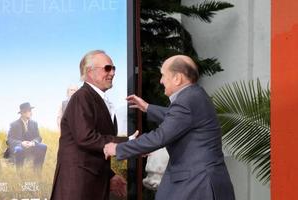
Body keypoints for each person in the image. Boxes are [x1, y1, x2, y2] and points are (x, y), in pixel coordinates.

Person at [104, 55, 235, 200]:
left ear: (177, 78)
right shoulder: (195, 94)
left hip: (197, 184)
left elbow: (160, 136)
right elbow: (179, 119)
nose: (161, 81)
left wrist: (117, 148)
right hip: (200, 180)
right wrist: (148, 108)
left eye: (163, 75)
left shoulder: (186, 100)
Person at [50, 50, 136, 200]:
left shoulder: (94, 98)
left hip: (89, 183)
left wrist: (110, 175)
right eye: (108, 68)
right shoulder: (82, 97)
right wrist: (128, 142)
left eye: (114, 68)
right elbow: (86, 138)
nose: (113, 72)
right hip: (78, 187)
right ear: (89, 71)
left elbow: (92, 150)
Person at [5, 102, 47, 171]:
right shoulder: (14, 124)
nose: (31, 113)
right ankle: (19, 173)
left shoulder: (34, 123)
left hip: (31, 147)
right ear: (23, 113)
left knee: (43, 146)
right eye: (29, 111)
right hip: (19, 147)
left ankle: (37, 171)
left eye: (31, 111)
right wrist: (21, 143)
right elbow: (9, 140)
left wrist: (33, 142)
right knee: (19, 149)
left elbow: (38, 137)